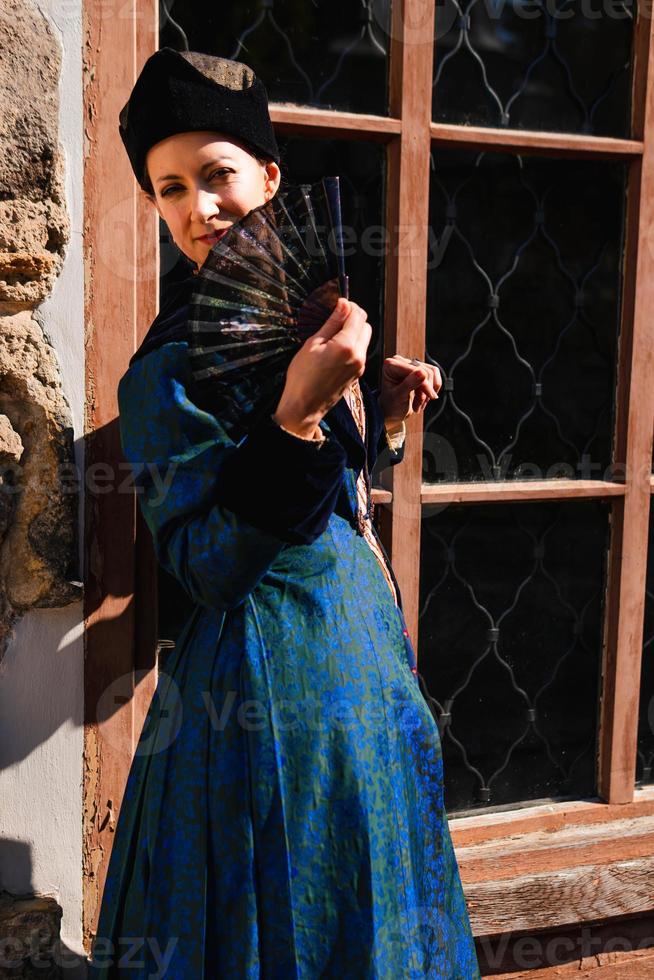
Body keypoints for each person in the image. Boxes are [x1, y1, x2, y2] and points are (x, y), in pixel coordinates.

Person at [89, 47, 481, 979]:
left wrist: (372, 419)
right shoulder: (163, 372)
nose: (198, 209)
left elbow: (334, 503)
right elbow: (209, 566)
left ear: (269, 177)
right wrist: (297, 412)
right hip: (264, 709)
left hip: (368, 687)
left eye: (218, 175)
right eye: (169, 188)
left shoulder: (310, 315)